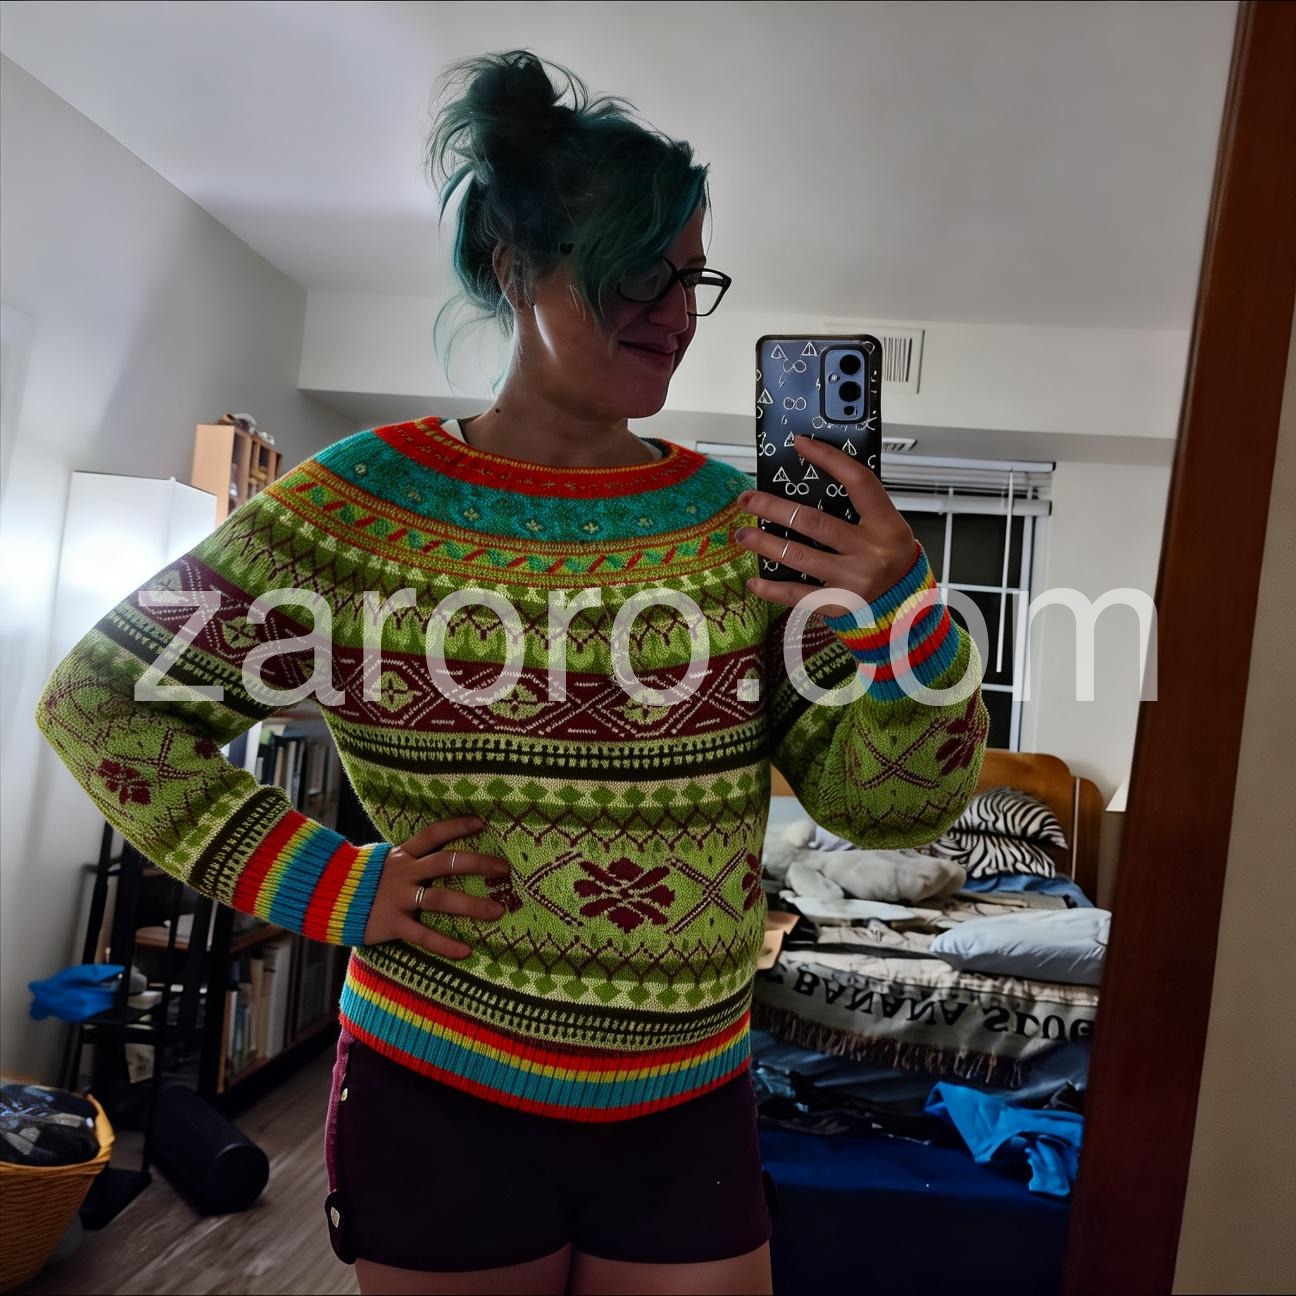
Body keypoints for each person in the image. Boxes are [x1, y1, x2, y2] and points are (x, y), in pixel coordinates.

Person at [35, 48, 989, 1296]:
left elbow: (888, 809)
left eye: (692, 274)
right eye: (637, 268)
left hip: (690, 1100)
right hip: (440, 1090)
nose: (676, 310)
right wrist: (330, 882)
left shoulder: (740, 528)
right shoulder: (355, 509)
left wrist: (906, 619)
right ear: (512, 266)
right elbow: (99, 704)